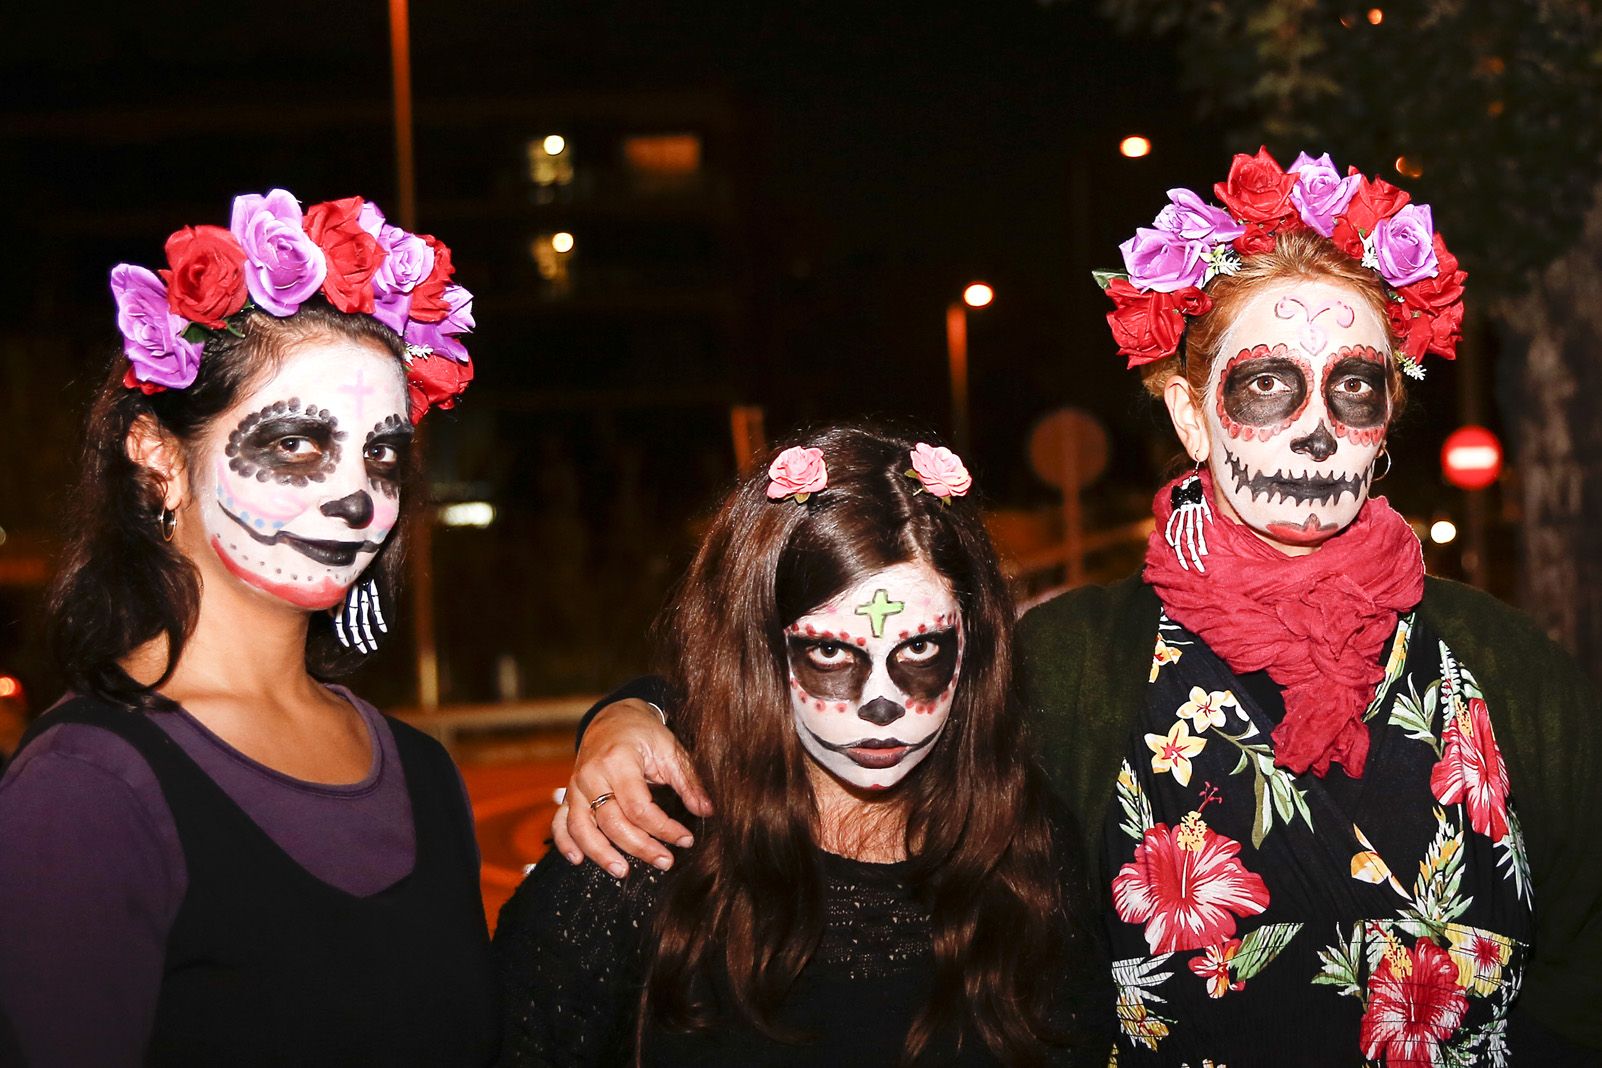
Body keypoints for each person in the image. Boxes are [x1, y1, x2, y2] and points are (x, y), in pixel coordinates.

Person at [554, 150, 1602, 1065]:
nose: (1318, 431)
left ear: (1389, 422)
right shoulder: (1070, 663)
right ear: (1193, 414)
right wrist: (635, 715)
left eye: (1355, 389)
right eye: (1269, 385)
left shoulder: (1510, 667)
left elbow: (1587, 969)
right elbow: (844, 692)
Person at [0, 189, 494, 1066]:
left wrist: (633, 715)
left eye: (381, 454)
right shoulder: (84, 792)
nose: (356, 497)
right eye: (298, 443)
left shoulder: (423, 772)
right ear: (158, 459)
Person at [494, 427, 1109, 1066]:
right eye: (829, 651)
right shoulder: (643, 853)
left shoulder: (1029, 853)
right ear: (760, 649)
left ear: (973, 644)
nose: (880, 704)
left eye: (920, 647)